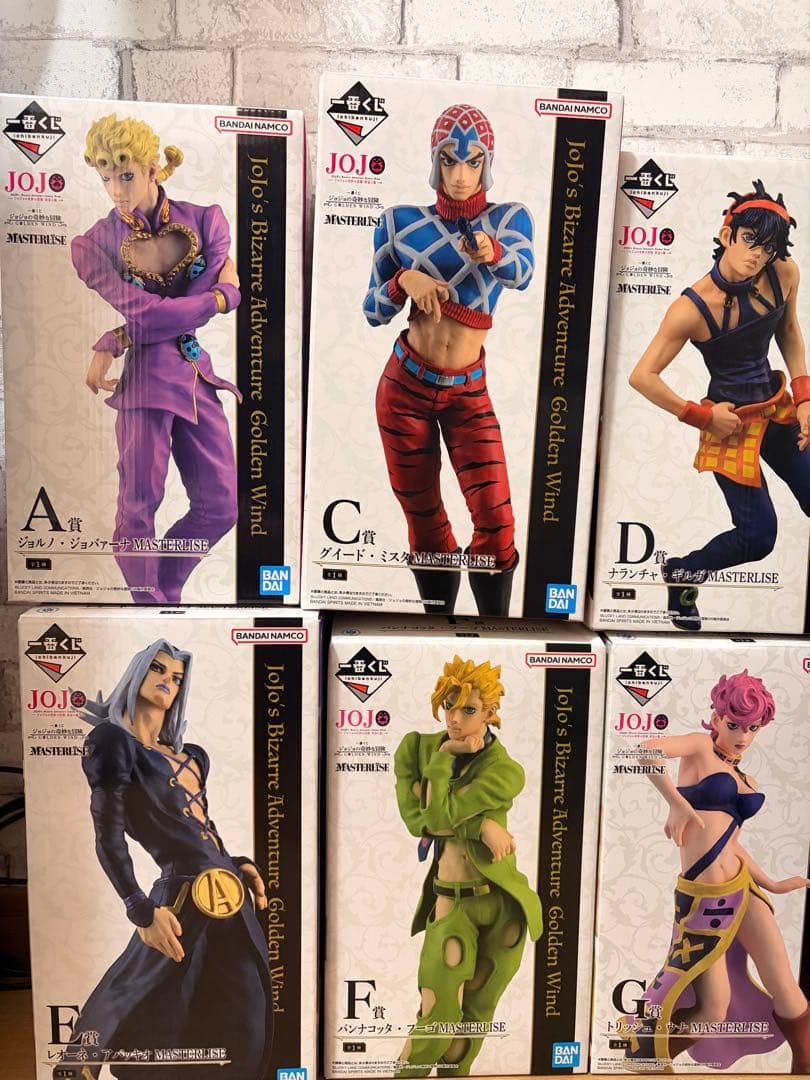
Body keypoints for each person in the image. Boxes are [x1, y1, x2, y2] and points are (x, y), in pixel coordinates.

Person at [56, 640, 271, 1079]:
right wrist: (138, 907)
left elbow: (198, 829)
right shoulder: (113, 742)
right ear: (137, 673)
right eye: (157, 669)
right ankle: (77, 1066)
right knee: (137, 992)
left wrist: (235, 862)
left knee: (247, 1010)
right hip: (180, 894)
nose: (167, 681)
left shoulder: (192, 757)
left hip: (231, 896)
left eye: (176, 676)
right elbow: (108, 834)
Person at [364, 104, 535, 616]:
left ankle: (495, 637)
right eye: (449, 161)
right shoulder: (398, 222)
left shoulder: (509, 218)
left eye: (473, 161)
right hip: (404, 388)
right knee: (424, 522)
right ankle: (435, 634)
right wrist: (403, 280)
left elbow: (523, 273)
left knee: (497, 524)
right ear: (434, 161)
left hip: (468, 393)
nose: (460, 175)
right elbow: (373, 310)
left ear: (488, 163)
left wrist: (493, 251)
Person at [72, 114, 242, 604]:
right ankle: (151, 605)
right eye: (105, 177)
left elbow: (163, 314)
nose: (116, 191)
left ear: (152, 168)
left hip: (195, 377)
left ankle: (161, 593)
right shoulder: (93, 245)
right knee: (137, 508)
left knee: (221, 505)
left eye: (125, 175)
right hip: (145, 384)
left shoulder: (207, 221)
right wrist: (220, 297)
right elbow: (154, 311)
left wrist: (118, 336)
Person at [628, 180, 810, 630]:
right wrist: (703, 416)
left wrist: (806, 397)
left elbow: (788, 331)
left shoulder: (784, 274)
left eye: (768, 248)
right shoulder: (691, 308)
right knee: (758, 537)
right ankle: (682, 572)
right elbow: (642, 376)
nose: (757, 256)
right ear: (727, 234)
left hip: (776, 408)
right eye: (750, 240)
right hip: (729, 424)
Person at [623, 671, 809, 1072]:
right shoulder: (698, 747)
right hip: (705, 902)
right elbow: (645, 750)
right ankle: (646, 1059)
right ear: (717, 717)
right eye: (735, 724)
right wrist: (675, 802)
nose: (743, 735)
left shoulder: (745, 777)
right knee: (713, 1008)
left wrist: (773, 884)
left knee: (785, 986)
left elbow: (732, 844)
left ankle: (805, 1065)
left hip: (743, 888)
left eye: (753, 727)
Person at [393, 656, 542, 1076]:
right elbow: (422, 822)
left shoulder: (506, 771)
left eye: (468, 709)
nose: (454, 719)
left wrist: (465, 819)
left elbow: (440, 817)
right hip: (450, 901)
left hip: (503, 905)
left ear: (491, 712)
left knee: (474, 1018)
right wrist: (446, 759)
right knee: (438, 1017)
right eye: (448, 706)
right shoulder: (416, 750)